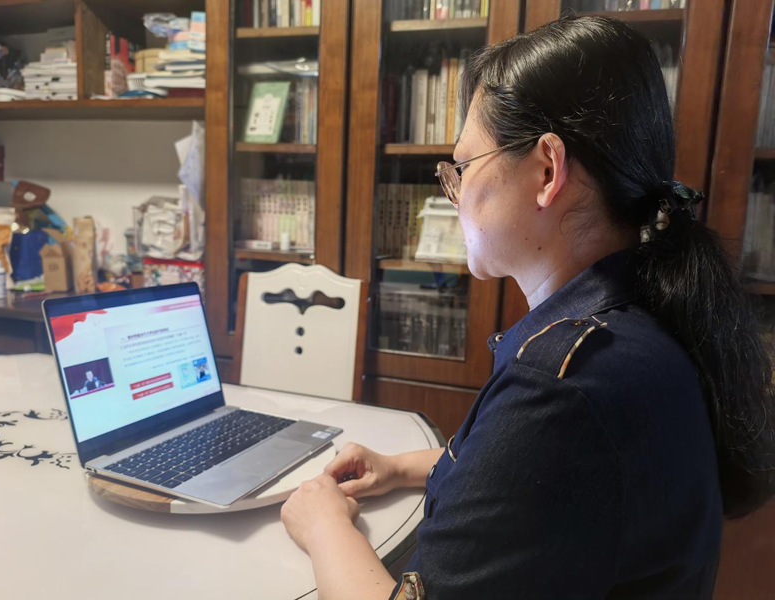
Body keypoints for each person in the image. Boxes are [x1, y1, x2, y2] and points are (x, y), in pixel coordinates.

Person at [280, 15, 775, 599]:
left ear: (546, 170)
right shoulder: (642, 317)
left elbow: (547, 450)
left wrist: (324, 525)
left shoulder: (565, 387)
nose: (455, 195)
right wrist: (403, 466)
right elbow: (543, 477)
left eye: (463, 167)